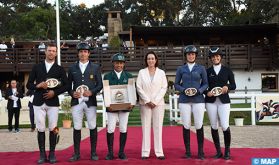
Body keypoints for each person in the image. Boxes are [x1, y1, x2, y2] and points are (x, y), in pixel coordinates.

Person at [26, 43, 68, 164]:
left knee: (53, 127)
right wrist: (37, 86)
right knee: (40, 128)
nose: (51, 53)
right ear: (45, 52)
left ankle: (52, 153)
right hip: (38, 101)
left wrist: (54, 93)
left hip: (53, 102)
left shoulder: (59, 69)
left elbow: (66, 86)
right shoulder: (37, 67)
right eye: (49, 50)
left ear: (56, 53)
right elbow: (28, 84)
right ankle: (42, 154)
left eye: (54, 51)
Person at [67, 42, 103, 162]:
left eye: (85, 51)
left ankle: (93, 152)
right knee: (77, 127)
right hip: (77, 102)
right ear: (78, 53)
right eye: (81, 51)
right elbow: (68, 86)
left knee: (92, 126)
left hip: (90, 102)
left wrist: (92, 92)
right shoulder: (72, 68)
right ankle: (76, 153)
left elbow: (100, 85)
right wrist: (72, 93)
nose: (83, 53)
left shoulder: (95, 67)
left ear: (89, 53)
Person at [174, 45, 208, 160]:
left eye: (193, 54)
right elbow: (176, 84)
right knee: (186, 125)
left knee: (199, 125)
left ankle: (200, 152)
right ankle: (188, 152)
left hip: (198, 100)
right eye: (189, 54)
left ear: (195, 56)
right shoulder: (180, 69)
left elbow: (206, 84)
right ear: (186, 56)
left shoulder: (201, 68)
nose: (191, 56)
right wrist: (184, 90)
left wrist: (199, 91)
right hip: (184, 100)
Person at [205, 47, 236, 160]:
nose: (215, 58)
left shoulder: (227, 70)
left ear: (220, 57)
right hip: (211, 102)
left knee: (225, 125)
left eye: (217, 56)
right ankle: (218, 151)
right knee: (214, 126)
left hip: (224, 102)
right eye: (213, 56)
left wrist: (227, 86)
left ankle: (227, 151)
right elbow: (203, 86)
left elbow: (234, 85)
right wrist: (206, 92)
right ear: (210, 58)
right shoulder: (207, 71)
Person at [136, 51, 168, 160]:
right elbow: (139, 87)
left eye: (152, 58)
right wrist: (147, 100)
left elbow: (164, 87)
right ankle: (145, 152)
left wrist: (155, 101)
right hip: (145, 104)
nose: (150, 60)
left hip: (158, 104)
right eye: (149, 58)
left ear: (156, 60)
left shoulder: (161, 73)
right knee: (145, 127)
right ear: (146, 60)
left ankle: (159, 152)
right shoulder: (141, 72)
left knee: (158, 127)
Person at [103, 53, 133, 160]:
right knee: (110, 128)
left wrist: (131, 105)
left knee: (123, 128)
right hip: (111, 107)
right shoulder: (107, 76)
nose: (119, 65)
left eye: (121, 63)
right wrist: (108, 104)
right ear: (113, 63)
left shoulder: (129, 76)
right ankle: (110, 152)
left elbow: (132, 92)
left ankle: (121, 152)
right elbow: (105, 92)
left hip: (125, 107)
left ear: (124, 64)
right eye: (117, 63)